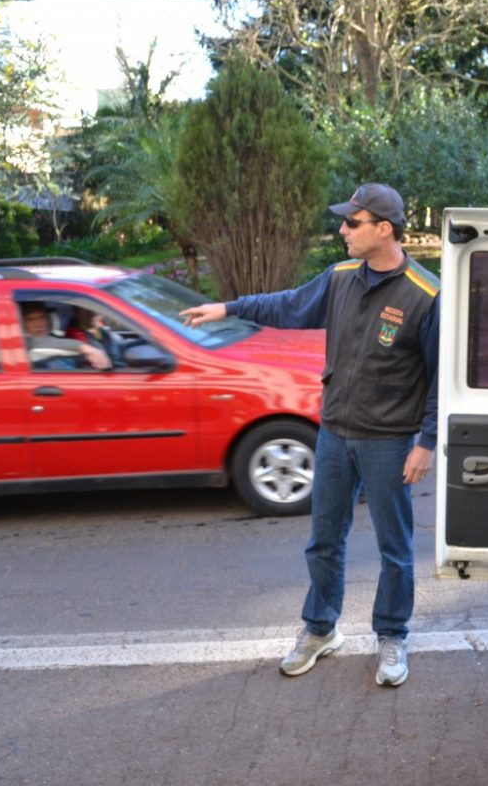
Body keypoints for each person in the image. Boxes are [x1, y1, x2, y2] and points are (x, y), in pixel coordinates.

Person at [179, 183, 438, 688]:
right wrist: (227, 308)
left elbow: (438, 374)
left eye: (352, 222)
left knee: (394, 547)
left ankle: (392, 635)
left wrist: (426, 441)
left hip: (388, 441)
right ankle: (320, 629)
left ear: (383, 229)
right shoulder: (340, 278)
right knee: (324, 541)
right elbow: (290, 305)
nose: (342, 230)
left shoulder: (425, 295)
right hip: (335, 434)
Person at [20, 302, 111, 371]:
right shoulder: (26, 343)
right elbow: (43, 343)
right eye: (30, 319)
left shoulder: (55, 338)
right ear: (22, 323)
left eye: (42, 317)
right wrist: (88, 349)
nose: (39, 324)